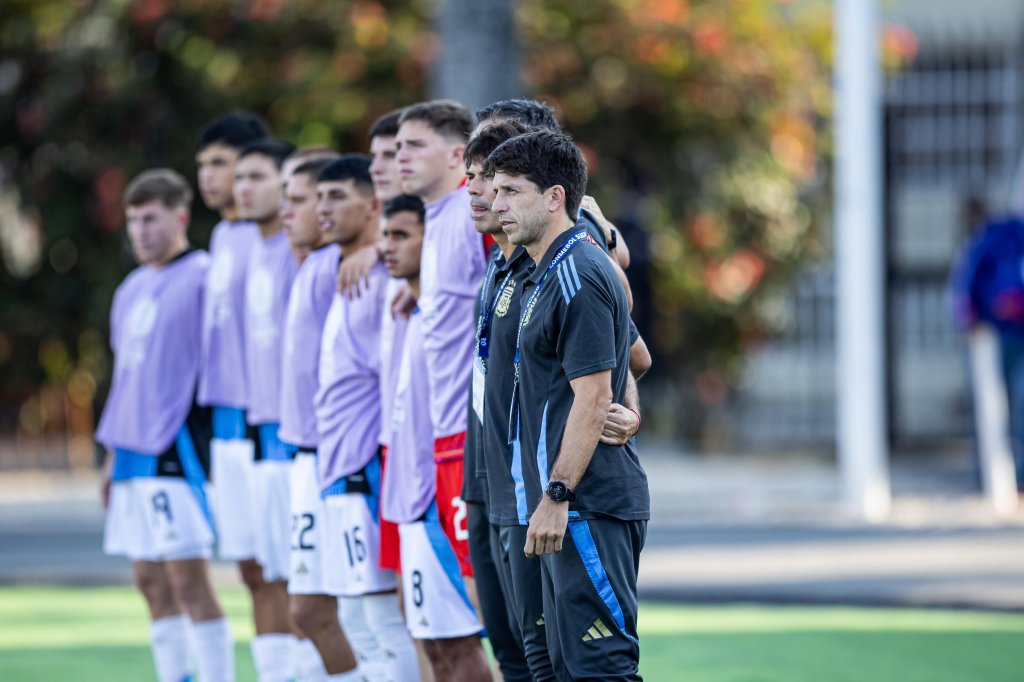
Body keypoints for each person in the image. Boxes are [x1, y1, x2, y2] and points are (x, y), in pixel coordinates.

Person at [468, 122, 647, 681]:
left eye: (509, 190)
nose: (496, 204)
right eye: (492, 189)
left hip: (581, 505)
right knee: (547, 669)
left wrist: (558, 493)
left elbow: (596, 395)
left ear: (555, 197)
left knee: (599, 669)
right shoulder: (534, 271)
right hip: (535, 503)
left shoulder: (578, 272)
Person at [98, 169, 234, 682]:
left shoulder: (203, 273)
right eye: (132, 220)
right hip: (130, 451)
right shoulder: (130, 287)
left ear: (180, 217)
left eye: (150, 218)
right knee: (148, 581)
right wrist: (111, 457)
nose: (140, 231)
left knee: (188, 580)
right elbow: (125, 377)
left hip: (176, 444)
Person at [312, 154, 419, 680]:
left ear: (372, 205)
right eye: (318, 197)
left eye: (336, 196)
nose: (321, 209)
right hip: (337, 468)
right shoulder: (345, 270)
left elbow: (395, 375)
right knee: (355, 615)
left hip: (364, 467)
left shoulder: (381, 277)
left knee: (381, 619)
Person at [380, 194, 493, 681]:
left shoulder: (462, 313)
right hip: (413, 489)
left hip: (452, 478)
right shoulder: (407, 311)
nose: (388, 247)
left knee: (490, 637)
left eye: (401, 235)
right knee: (436, 642)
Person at [194, 110, 282, 676]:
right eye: (203, 165)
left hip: (266, 427)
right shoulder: (223, 235)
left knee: (284, 572)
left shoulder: (277, 237)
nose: (211, 176)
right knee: (250, 569)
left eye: (222, 164)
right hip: (225, 426)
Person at [279, 156, 364, 681]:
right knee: (311, 611)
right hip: (305, 458)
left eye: (301, 198)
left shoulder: (345, 264)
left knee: (329, 610)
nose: (291, 210)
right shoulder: (312, 263)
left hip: (331, 459)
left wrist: (373, 248)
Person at [394, 100, 484, 581]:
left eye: (415, 145)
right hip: (438, 435)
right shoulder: (435, 219)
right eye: (397, 147)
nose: (400, 157)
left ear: (457, 154)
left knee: (487, 611)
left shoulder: (475, 213)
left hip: (472, 436)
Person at [234, 137, 301, 681]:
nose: (242, 188)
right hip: (258, 429)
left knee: (305, 586)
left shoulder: (299, 251)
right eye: (241, 177)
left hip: (295, 437)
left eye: (256, 176)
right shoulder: (247, 247)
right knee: (266, 574)